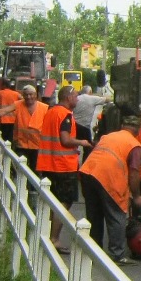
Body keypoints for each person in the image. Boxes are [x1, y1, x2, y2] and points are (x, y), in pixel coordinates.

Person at [80, 115, 141, 266]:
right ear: (137, 131)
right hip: (107, 177)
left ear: (123, 127)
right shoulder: (134, 144)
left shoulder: (108, 136)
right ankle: (117, 255)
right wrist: (136, 196)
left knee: (94, 214)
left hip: (88, 172)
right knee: (116, 215)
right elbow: (134, 173)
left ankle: (94, 251)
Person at [37, 85, 93, 254]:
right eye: (76, 96)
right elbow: (66, 140)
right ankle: (54, 238)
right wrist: (82, 142)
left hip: (48, 164)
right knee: (64, 201)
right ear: (68, 97)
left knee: (52, 200)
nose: (77, 99)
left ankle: (45, 233)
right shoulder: (66, 115)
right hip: (63, 166)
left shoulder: (51, 111)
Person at [0, 84, 48, 172]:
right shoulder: (18, 104)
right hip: (21, 144)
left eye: (31, 94)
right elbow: (4, 111)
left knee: (35, 171)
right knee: (20, 169)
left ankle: (30, 186)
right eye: (26, 95)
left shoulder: (44, 108)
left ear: (35, 94)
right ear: (23, 95)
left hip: (38, 146)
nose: (28, 97)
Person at [0, 78, 21, 144]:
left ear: (3, 85)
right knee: (10, 137)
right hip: (13, 119)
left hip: (2, 118)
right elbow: (23, 100)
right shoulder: (16, 94)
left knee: (3, 137)